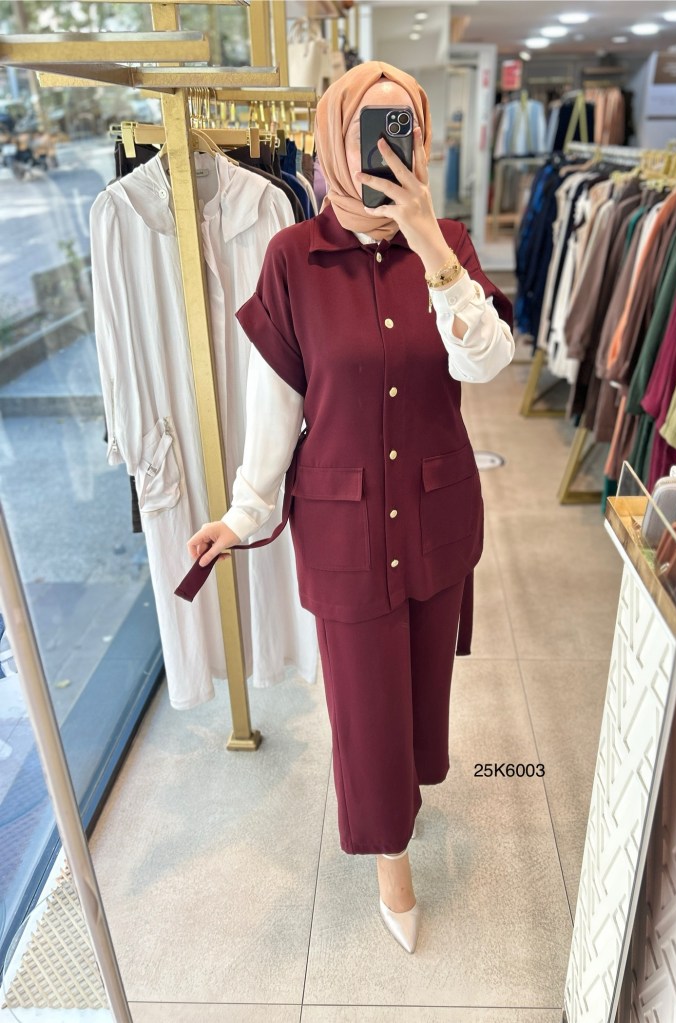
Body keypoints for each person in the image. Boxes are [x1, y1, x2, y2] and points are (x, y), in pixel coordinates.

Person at [186, 61, 514, 954]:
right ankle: (389, 861)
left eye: (404, 127)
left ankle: (409, 797)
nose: (387, 147)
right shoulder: (292, 257)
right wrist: (243, 512)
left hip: (437, 515)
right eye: (371, 128)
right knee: (366, 711)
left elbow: (486, 363)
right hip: (344, 529)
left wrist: (433, 249)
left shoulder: (448, 244)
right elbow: (277, 404)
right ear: (335, 138)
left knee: (422, 693)